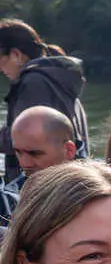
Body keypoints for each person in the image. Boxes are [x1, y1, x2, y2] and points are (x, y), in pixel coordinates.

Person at [0, 18, 88, 183]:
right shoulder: (56, 78)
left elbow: (28, 137)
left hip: (43, 185)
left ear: (15, 54)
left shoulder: (34, 83)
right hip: (65, 180)